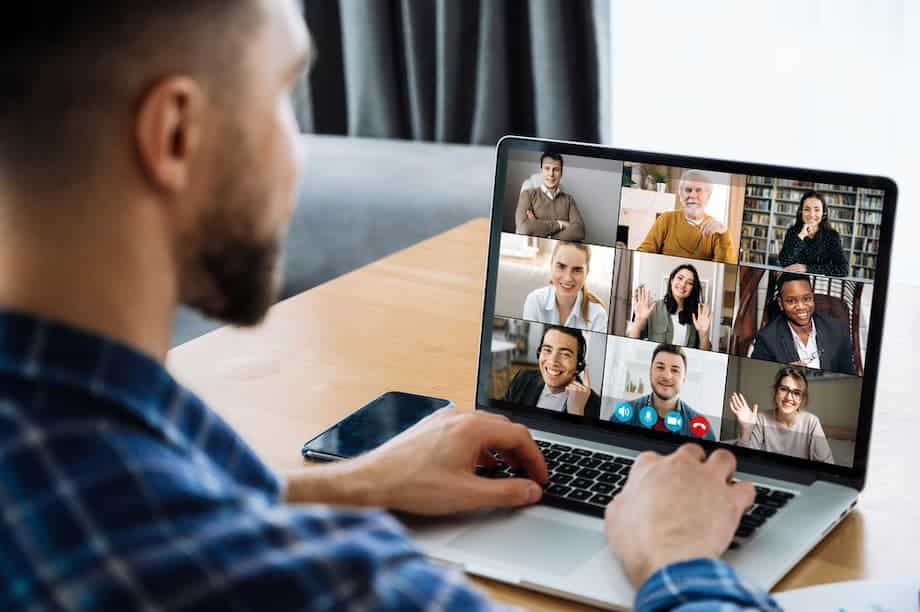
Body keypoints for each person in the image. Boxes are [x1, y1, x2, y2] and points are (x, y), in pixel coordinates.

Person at [0, 3, 780, 610]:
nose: (296, 150)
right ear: (175, 133)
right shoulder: (327, 588)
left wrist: (352, 482)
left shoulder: (71, 430)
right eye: (281, 94)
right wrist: (677, 563)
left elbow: (173, 492)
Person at [750, 273, 856, 374]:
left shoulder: (837, 329)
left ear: (812, 297)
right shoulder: (766, 339)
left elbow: (849, 374)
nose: (801, 307)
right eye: (791, 301)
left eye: (806, 298)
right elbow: (757, 375)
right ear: (780, 303)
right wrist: (784, 373)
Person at [610, 344, 716, 441]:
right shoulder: (623, 415)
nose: (666, 376)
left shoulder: (701, 428)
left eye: (675, 370)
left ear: (684, 378)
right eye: (660, 367)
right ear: (650, 371)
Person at [729, 368, 835, 464]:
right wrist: (746, 430)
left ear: (802, 398)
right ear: (776, 392)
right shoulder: (761, 419)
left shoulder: (811, 422)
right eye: (784, 389)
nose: (789, 397)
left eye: (796, 393)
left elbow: (827, 464)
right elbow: (744, 461)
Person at [637, 170, 738, 264]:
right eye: (688, 190)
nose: (692, 195)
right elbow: (643, 253)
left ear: (708, 196)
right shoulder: (666, 219)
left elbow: (725, 267)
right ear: (680, 195)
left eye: (698, 190)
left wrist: (724, 234)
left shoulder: (716, 230)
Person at [503, 325, 601, 417]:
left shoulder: (594, 404)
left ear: (579, 364)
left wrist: (576, 412)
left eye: (565, 354)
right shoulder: (523, 378)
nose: (553, 361)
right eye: (547, 350)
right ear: (539, 354)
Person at [522, 241, 608, 332]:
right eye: (561, 267)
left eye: (577, 270)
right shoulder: (535, 301)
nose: (567, 278)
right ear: (551, 265)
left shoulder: (598, 315)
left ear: (587, 272)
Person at [627, 263, 713, 350]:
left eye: (689, 283)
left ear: (693, 289)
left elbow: (705, 354)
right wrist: (638, 321)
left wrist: (704, 335)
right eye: (680, 278)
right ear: (672, 280)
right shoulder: (653, 308)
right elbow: (632, 346)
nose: (683, 284)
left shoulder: (697, 316)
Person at [514, 153, 586, 240]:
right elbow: (524, 228)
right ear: (541, 171)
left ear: (561, 173)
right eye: (547, 168)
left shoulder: (568, 200)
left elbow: (579, 231)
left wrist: (542, 232)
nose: (551, 174)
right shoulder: (528, 195)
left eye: (556, 169)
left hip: (561, 251)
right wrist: (560, 224)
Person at [777, 191, 848, 277]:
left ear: (823, 213)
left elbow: (843, 269)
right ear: (801, 212)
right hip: (794, 279)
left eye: (817, 210)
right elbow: (784, 261)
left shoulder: (832, 236)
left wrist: (806, 268)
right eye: (807, 209)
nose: (811, 214)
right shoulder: (792, 232)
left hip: (819, 282)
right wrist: (801, 236)